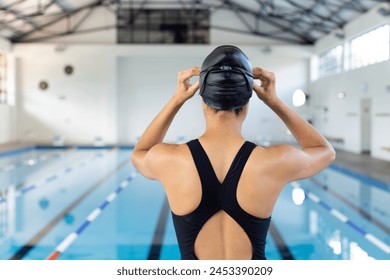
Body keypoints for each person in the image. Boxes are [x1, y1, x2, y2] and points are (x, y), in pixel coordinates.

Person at [131, 45, 336, 260]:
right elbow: (324, 151)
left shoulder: (171, 160)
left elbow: (141, 152)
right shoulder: (274, 161)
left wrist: (177, 100)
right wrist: (274, 101)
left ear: (203, 102)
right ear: (246, 105)